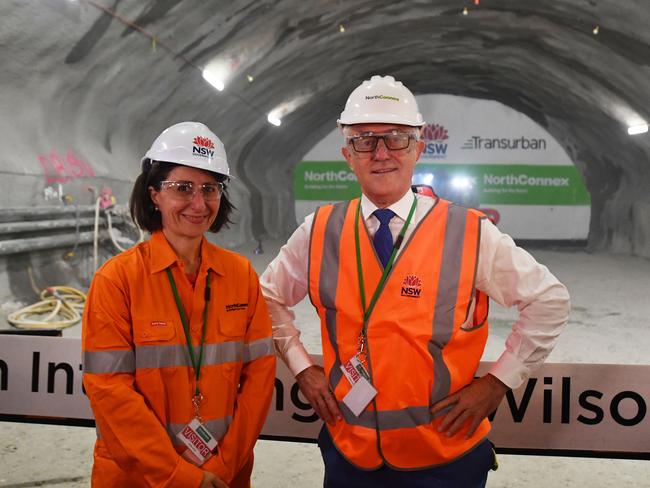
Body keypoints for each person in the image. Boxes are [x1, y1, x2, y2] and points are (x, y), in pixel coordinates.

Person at [260, 75, 570, 487]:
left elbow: (549, 301)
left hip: (443, 456)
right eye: (364, 140)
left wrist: (497, 384)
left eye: (397, 138)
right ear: (347, 154)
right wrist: (302, 368)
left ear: (418, 148)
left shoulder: (469, 232)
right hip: (350, 455)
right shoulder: (318, 231)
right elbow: (265, 298)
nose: (381, 152)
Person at [82, 121, 276, 488]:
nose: (199, 203)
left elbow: (259, 380)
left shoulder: (240, 275)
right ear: (154, 194)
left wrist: (222, 467)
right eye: (182, 188)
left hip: (224, 475)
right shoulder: (118, 280)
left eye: (210, 189)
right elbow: (110, 392)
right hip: (138, 478)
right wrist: (182, 478)